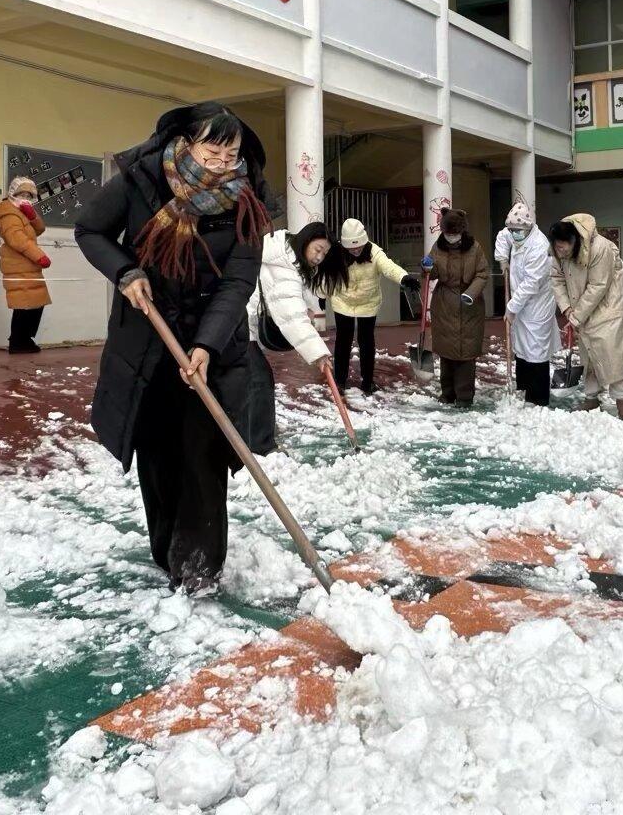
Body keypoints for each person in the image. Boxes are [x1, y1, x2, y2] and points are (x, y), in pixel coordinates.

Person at [75, 103, 268, 594]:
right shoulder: (142, 179)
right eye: (212, 152)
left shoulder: (247, 200)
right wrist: (125, 272)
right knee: (158, 452)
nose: (222, 164)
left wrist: (207, 344)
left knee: (203, 454)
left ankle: (199, 565)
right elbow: (90, 230)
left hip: (212, 347)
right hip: (148, 338)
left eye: (231, 154)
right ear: (186, 142)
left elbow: (238, 280)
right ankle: (167, 552)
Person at [245, 221, 344, 456]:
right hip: (237, 325)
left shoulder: (290, 258)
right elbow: (292, 316)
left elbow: (302, 296)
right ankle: (260, 447)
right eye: (318, 249)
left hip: (242, 324)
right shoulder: (284, 268)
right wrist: (318, 353)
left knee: (248, 381)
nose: (319, 257)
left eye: (324, 253)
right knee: (259, 381)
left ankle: (249, 433)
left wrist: (309, 307)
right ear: (306, 241)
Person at [548, 215, 623, 419]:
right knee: (588, 355)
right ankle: (591, 398)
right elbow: (556, 279)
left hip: (609, 307)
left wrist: (576, 316)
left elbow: (598, 286)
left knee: (613, 354)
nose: (560, 252)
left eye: (563, 248)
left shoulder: (600, 248)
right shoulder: (557, 251)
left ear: (574, 241)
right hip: (581, 308)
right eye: (557, 247)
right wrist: (567, 309)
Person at [328, 217, 420, 394]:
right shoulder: (336, 253)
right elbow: (328, 276)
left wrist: (403, 277)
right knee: (343, 341)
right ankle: (340, 380)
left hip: (367, 303)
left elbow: (389, 267)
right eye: (351, 248)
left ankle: (368, 382)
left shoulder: (374, 252)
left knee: (367, 342)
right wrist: (322, 294)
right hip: (343, 301)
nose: (355, 250)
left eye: (358, 246)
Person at [496, 200, 559, 407]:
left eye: (517, 230)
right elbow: (502, 236)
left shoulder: (539, 246)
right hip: (521, 300)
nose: (514, 234)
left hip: (537, 305)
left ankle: (538, 397)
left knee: (535, 349)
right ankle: (523, 387)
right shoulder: (515, 232)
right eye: (512, 230)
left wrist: (511, 308)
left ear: (528, 226)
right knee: (521, 346)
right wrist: (502, 259)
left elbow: (531, 284)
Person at [424, 208, 488, 407]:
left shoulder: (474, 248)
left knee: (465, 353)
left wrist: (471, 293)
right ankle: (447, 393)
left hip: (469, 305)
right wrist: (427, 267)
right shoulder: (438, 247)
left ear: (462, 231)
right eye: (448, 234)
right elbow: (431, 274)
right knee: (446, 352)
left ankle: (464, 396)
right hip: (444, 304)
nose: (451, 237)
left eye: (455, 234)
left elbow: (482, 273)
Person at [0, 176, 52, 354]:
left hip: (28, 265)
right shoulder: (8, 213)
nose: (25, 198)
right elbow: (16, 239)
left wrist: (32, 216)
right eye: (22, 194)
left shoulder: (20, 211)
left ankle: (24, 340)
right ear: (13, 193)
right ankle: (18, 342)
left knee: (35, 303)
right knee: (24, 304)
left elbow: (39, 230)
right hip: (17, 265)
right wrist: (39, 256)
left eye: (29, 195)